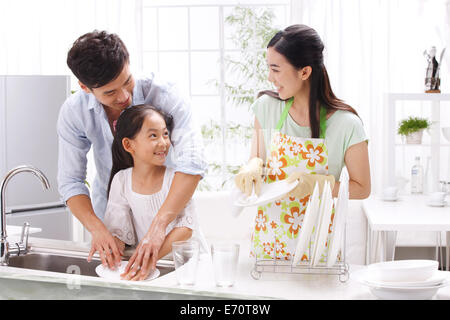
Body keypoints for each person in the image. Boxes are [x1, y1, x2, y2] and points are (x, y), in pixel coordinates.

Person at [57, 30, 206, 271]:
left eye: (127, 81)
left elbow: (192, 162)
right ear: (85, 87)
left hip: (168, 225)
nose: (124, 96)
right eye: (110, 92)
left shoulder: (165, 94)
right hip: (111, 227)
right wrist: (98, 229)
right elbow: (70, 181)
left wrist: (157, 229)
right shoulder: (74, 113)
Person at [234, 24, 370, 261]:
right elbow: (258, 159)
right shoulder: (266, 108)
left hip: (318, 251)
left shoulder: (347, 124)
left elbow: (362, 188)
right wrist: (253, 166)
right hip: (268, 247)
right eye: (269, 68)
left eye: (276, 69)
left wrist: (318, 185)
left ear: (305, 72)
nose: (269, 77)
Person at [103, 104, 208, 281]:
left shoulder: (176, 178)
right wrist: (112, 248)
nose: (163, 143)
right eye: (153, 135)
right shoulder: (121, 180)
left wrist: (149, 257)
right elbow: (118, 229)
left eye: (165, 134)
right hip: (155, 267)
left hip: (190, 266)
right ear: (129, 145)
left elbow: (186, 229)